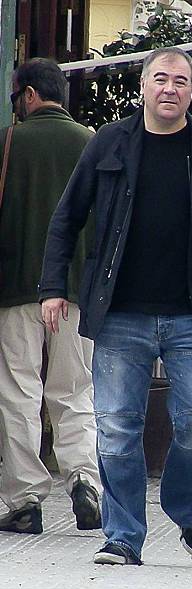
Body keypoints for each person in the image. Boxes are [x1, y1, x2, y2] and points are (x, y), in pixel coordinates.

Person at [40, 47, 192, 565]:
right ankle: (122, 536)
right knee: (117, 427)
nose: (169, 89)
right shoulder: (109, 143)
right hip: (121, 313)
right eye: (160, 79)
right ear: (144, 86)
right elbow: (66, 219)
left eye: (180, 81)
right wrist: (53, 287)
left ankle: (183, 504)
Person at [0, 58, 101, 534]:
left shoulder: (8, 143)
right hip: (76, 292)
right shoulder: (93, 144)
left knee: (19, 392)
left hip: (18, 289)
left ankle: (24, 500)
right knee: (75, 389)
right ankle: (84, 480)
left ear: (30, 95)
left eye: (16, 97)